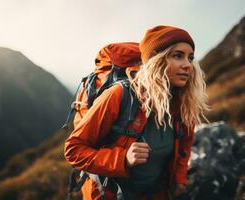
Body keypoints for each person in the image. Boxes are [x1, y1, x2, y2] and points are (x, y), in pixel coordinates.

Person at [64, 25, 209, 200]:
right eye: (178, 56)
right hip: (109, 194)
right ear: (157, 61)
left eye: (190, 57)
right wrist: (122, 158)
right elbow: (73, 150)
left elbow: (184, 148)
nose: (187, 65)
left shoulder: (182, 103)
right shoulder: (119, 95)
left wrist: (179, 182)